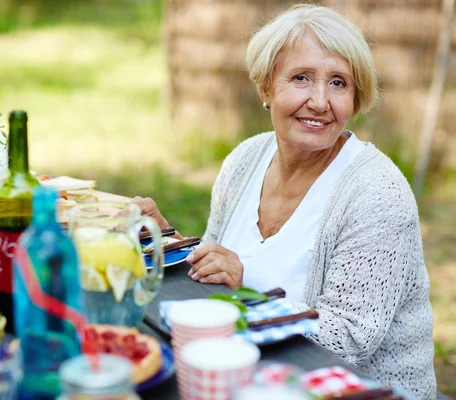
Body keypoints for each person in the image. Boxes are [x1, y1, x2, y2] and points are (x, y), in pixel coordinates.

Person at [131, 4, 436, 398]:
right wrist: (164, 237)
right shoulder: (245, 160)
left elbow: (349, 342)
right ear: (266, 88)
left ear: (356, 99)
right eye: (302, 78)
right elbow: (215, 268)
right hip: (258, 376)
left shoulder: (376, 193)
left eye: (339, 83)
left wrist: (246, 298)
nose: (320, 101)